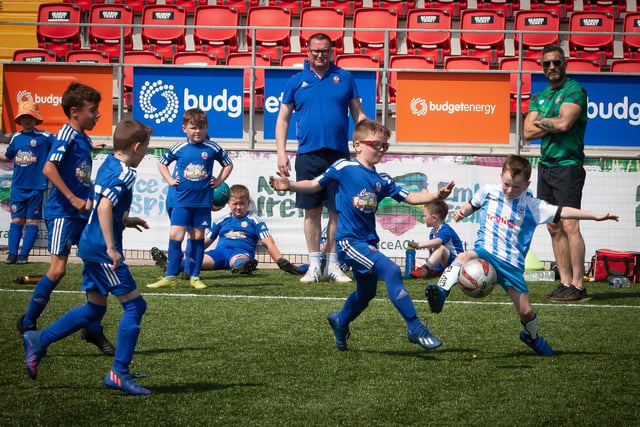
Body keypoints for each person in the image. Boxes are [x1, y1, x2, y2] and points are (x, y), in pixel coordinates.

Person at [270, 119, 455, 352]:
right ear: (357, 145)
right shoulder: (344, 168)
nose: (380, 149)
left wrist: (437, 195)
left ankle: (340, 319)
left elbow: (411, 197)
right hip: (348, 240)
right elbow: (315, 185)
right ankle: (415, 328)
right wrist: (290, 185)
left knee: (366, 293)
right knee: (390, 270)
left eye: (384, 146)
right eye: (375, 144)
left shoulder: (382, 180)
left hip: (367, 241)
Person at [424, 155, 618, 356]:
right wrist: (462, 212)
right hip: (485, 253)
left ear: (527, 184)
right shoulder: (488, 192)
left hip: (511, 266)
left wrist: (595, 216)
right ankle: (440, 294)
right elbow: (472, 204)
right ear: (501, 176)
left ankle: (531, 337)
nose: (509, 190)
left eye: (516, 187)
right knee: (464, 256)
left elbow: (563, 210)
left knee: (525, 311)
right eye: (506, 184)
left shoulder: (533, 206)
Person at [23, 119, 153, 396]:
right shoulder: (126, 173)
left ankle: (38, 339)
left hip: (89, 243)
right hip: (100, 249)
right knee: (135, 306)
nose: (144, 156)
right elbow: (105, 206)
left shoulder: (108, 162)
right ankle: (119, 371)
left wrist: (126, 221)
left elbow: (98, 202)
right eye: (145, 150)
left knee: (95, 308)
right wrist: (112, 247)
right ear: (137, 146)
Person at [17, 83, 115, 355]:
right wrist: (72, 198)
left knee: (97, 264)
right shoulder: (67, 134)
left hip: (81, 211)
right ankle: (27, 322)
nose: (97, 116)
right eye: (93, 111)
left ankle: (93, 328)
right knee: (58, 270)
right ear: (74, 112)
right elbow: (49, 168)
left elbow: (79, 174)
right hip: (63, 211)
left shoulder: (82, 138)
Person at [275, 32, 368, 284]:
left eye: (324, 51)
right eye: (315, 50)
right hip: (307, 155)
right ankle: (314, 265)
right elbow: (282, 119)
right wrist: (281, 152)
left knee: (337, 211)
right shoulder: (296, 81)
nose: (320, 55)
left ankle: (333, 264)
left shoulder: (345, 78)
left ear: (331, 51)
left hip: (339, 156)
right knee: (311, 211)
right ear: (307, 50)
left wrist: (368, 145)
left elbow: (359, 116)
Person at [523, 44, 589, 302]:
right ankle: (564, 283)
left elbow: (565, 123)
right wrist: (553, 124)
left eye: (556, 63)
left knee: (571, 224)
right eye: (546, 64)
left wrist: (543, 122)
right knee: (553, 225)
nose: (551, 67)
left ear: (565, 63)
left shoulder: (575, 90)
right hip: (546, 166)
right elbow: (527, 133)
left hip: (568, 165)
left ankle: (579, 286)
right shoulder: (539, 96)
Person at [147, 108, 233, 290]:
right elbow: (162, 163)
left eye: (201, 128)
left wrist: (219, 180)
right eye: (193, 127)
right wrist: (170, 180)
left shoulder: (212, 148)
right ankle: (170, 276)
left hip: (202, 203)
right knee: (175, 235)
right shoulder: (179, 147)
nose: (197, 131)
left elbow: (228, 164)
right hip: (181, 201)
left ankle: (195, 276)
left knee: (198, 237)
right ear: (184, 128)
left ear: (206, 127)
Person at [184, 184, 302, 277]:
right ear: (229, 204)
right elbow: (205, 242)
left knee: (239, 260)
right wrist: (191, 252)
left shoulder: (255, 221)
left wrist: (280, 261)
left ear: (248, 204)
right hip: (220, 253)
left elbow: (269, 243)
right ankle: (173, 263)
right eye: (235, 204)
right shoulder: (221, 220)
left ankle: (242, 268)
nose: (238, 207)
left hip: (240, 253)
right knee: (196, 261)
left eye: (242, 204)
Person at [0, 101, 53, 264]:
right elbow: (7, 156)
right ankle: (12, 254)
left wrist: (90, 145)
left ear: (36, 118)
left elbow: (63, 145)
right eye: (23, 117)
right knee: (16, 220)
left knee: (31, 221)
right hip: (17, 187)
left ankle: (24, 255)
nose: (26, 120)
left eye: (29, 117)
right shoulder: (16, 137)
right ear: (19, 120)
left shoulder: (45, 137)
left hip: (37, 188)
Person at [407, 199, 464, 279]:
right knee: (415, 261)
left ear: (433, 218)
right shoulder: (432, 232)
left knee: (440, 248)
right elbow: (432, 255)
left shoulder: (445, 229)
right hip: (443, 265)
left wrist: (419, 245)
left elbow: (438, 242)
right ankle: (432, 270)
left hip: (456, 263)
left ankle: (426, 269)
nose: (423, 218)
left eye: (425, 216)